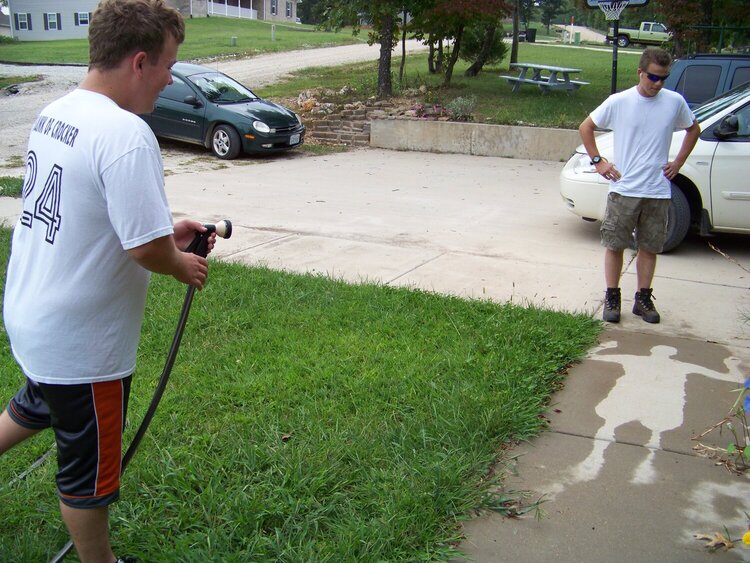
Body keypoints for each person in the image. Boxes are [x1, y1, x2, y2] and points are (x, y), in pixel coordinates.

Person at [0, 1, 214, 561]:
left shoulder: (58, 113)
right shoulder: (125, 133)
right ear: (139, 62)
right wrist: (180, 262)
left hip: (35, 317)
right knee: (87, 474)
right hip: (81, 346)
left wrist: (167, 228)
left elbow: (92, 214)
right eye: (169, 64)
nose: (171, 78)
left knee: (37, 405)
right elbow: (144, 248)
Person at [579, 47, 701, 324]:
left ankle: (643, 299)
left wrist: (678, 162)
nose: (657, 84)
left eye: (663, 79)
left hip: (657, 190)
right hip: (624, 189)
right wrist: (599, 161)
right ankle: (612, 296)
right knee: (615, 245)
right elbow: (586, 127)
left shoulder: (674, 102)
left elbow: (693, 129)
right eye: (652, 77)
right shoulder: (619, 101)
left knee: (649, 247)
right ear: (640, 72)